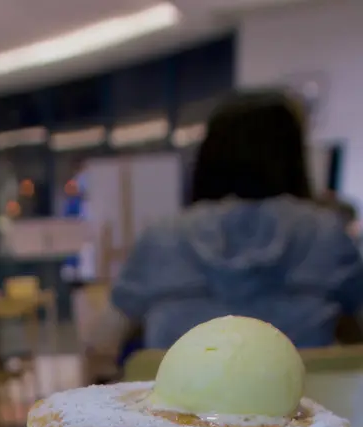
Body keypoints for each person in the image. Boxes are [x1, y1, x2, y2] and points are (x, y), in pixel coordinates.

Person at [87, 90, 363, 367]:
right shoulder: (326, 234)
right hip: (302, 394)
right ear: (293, 158)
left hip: (181, 394)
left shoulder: (162, 237)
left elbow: (101, 345)